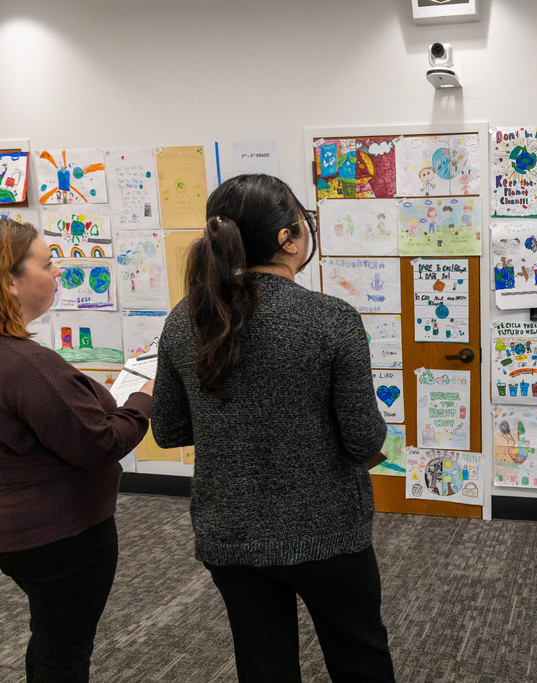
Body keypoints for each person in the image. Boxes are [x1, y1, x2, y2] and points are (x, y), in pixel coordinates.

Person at [150, 174, 394, 682]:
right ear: (288, 239)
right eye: (305, 222)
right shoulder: (331, 319)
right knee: (360, 658)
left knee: (263, 665)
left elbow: (169, 430)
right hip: (329, 531)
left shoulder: (184, 319)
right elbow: (364, 440)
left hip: (230, 532)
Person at [0, 218, 153, 682]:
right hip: (60, 537)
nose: (58, 272)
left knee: (51, 638)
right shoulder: (26, 366)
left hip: (18, 533)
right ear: (10, 282)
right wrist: (142, 398)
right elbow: (99, 444)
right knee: (64, 649)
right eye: (48, 264)